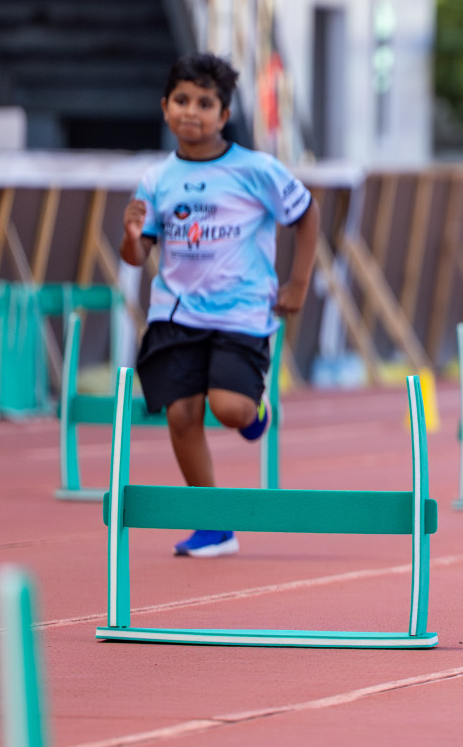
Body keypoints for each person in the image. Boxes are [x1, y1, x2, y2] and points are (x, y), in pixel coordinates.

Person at [120, 53, 320, 558]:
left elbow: (307, 214)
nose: (192, 112)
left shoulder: (256, 169)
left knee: (228, 409)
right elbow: (138, 254)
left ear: (224, 114)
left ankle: (255, 410)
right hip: (175, 313)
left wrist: (297, 284)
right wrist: (130, 237)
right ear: (165, 107)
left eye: (205, 103)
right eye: (182, 100)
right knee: (181, 415)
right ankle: (212, 523)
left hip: (241, 312)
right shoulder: (157, 179)